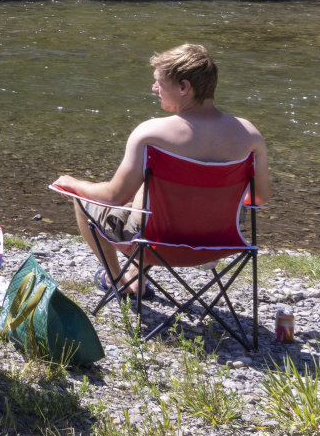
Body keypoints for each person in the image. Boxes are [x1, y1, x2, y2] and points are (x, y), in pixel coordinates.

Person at [54, 44, 270, 296]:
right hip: (221, 242)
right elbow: (259, 198)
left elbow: (113, 197)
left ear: (184, 87)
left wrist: (74, 183)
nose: (154, 89)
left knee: (85, 200)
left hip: (156, 245)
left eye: (159, 83)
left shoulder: (152, 134)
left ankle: (117, 280)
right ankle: (135, 273)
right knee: (152, 186)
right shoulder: (250, 134)